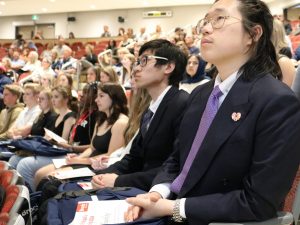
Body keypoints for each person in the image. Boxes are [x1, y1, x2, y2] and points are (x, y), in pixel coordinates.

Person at [125, 0, 300, 224]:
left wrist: (173, 207)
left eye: (219, 19)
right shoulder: (200, 94)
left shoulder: (276, 101)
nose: (206, 28)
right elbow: (178, 159)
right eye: (206, 21)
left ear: (253, 35)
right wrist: (158, 192)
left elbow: (258, 201)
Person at [91, 39, 189, 191]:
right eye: (137, 62)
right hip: (138, 184)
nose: (136, 69)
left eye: (144, 61)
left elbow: (174, 168)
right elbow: (133, 158)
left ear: (168, 67)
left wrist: (118, 181)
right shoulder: (150, 108)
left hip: (156, 192)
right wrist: (102, 175)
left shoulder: (182, 104)